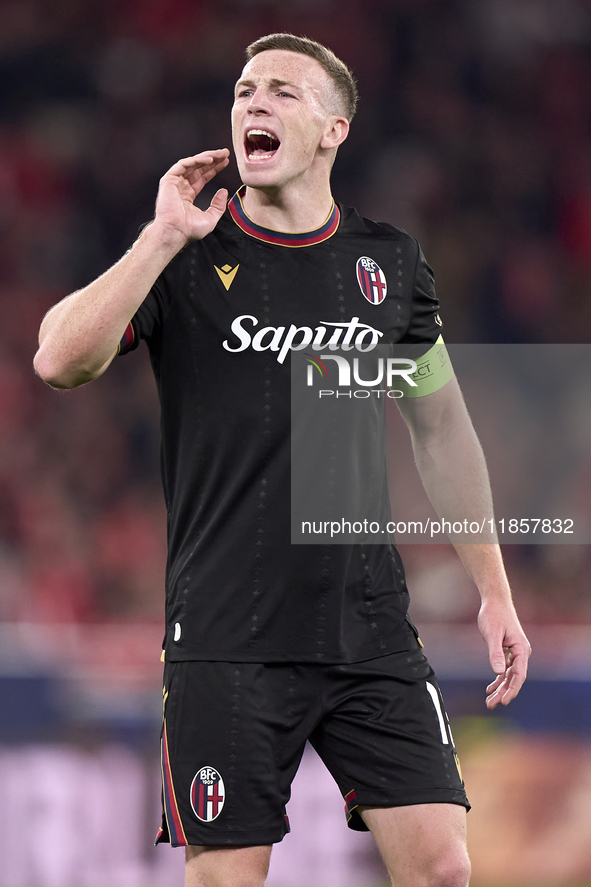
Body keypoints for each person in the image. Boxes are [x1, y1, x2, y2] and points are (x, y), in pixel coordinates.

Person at [34, 33, 531, 887]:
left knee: (444, 868)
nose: (253, 103)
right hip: (226, 633)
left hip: (364, 624)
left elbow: (441, 427)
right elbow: (57, 360)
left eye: (281, 92)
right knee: (227, 880)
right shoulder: (183, 254)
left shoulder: (388, 264)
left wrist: (492, 588)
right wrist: (158, 238)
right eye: (243, 89)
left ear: (334, 129)